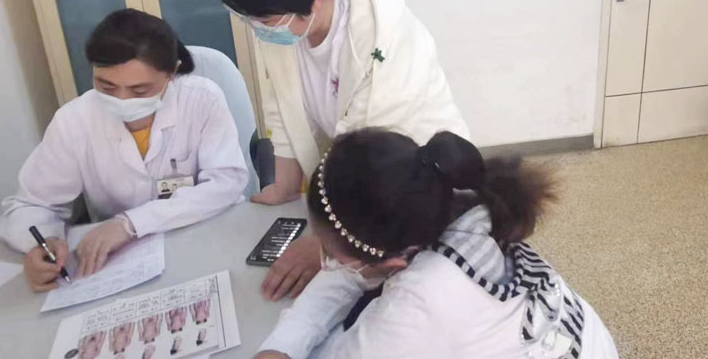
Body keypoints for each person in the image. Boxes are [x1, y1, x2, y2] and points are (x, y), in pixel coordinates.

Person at [211, 0, 469, 299]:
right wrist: (283, 186)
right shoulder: (284, 25)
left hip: (415, 181)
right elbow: (283, 105)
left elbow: (374, 159)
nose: (256, 27)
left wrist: (323, 242)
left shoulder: (385, 39)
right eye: (245, 17)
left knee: (408, 292)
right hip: (356, 184)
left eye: (263, 18)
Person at [256, 128, 619, 359]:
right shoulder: (459, 201)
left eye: (330, 257)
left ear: (392, 262)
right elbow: (357, 273)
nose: (325, 264)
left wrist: (280, 344)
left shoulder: (422, 300)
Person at [0, 9, 249, 292]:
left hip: (201, 237)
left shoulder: (202, 99)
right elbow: (30, 205)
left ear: (172, 72)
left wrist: (131, 223)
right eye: (106, 86)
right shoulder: (74, 120)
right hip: (120, 264)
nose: (122, 100)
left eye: (140, 91)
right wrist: (42, 244)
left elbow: (226, 182)